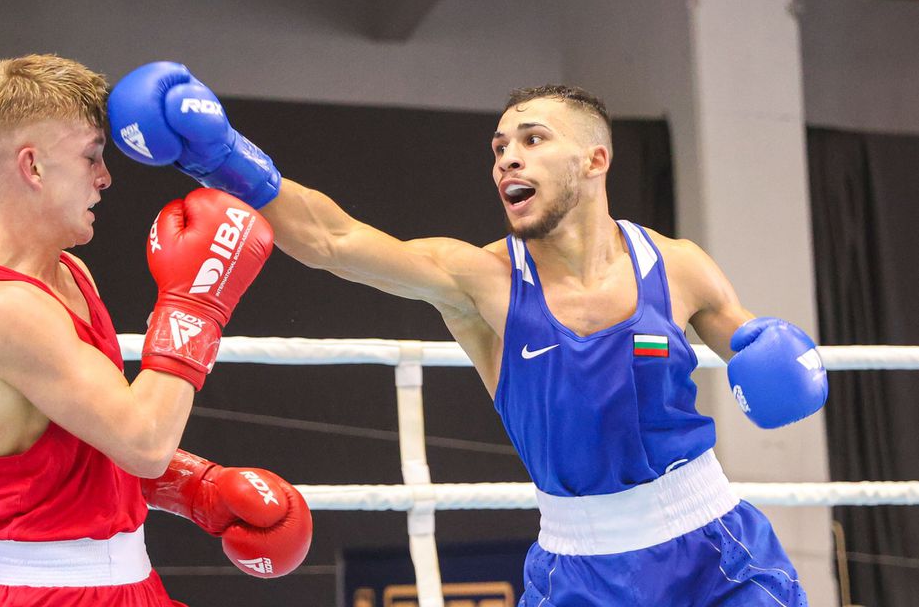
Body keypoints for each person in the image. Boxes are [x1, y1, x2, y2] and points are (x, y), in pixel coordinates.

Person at [106, 62, 828, 605]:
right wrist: (220, 155)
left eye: (532, 139)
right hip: (581, 569)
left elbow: (755, 348)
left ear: (594, 159)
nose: (507, 157)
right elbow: (333, 239)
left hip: (714, 552)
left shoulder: (677, 265)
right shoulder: (481, 282)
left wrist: (781, 360)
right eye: (499, 146)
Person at [0, 55, 311, 606]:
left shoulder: (71, 274)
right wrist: (196, 303)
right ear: (33, 166)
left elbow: (101, 442)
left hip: (133, 584)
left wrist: (198, 488)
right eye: (91, 156)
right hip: (52, 596)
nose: (105, 177)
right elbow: (144, 442)